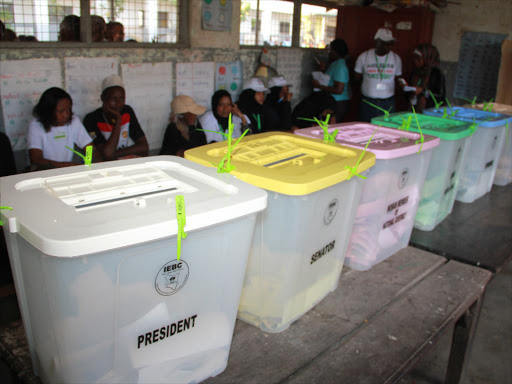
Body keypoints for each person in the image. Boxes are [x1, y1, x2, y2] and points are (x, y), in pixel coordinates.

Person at [27, 87, 101, 168]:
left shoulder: (73, 120)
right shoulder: (36, 125)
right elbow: (36, 160)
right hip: (45, 173)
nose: (66, 115)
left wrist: (88, 163)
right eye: (61, 111)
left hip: (65, 170)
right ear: (48, 111)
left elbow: (89, 147)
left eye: (69, 110)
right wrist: (68, 165)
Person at [84, 75, 149, 160]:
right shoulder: (91, 119)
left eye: (121, 99)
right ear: (102, 98)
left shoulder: (127, 111)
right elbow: (106, 153)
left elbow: (144, 147)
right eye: (113, 99)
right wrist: (118, 120)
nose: (118, 103)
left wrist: (113, 154)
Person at [354, 28, 404, 122]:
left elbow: (398, 78)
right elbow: (357, 79)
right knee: (366, 128)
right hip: (368, 102)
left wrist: (404, 85)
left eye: (390, 43)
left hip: (387, 102)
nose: (388, 46)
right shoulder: (364, 57)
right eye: (385, 43)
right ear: (377, 41)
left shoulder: (396, 58)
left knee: (386, 129)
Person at [312, 38, 351, 123]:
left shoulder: (340, 66)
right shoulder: (335, 64)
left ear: (334, 51)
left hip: (338, 102)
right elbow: (329, 80)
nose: (329, 53)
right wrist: (322, 70)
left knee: (332, 129)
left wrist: (319, 86)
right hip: (333, 101)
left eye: (330, 50)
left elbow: (339, 90)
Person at [405, 44, 446, 113]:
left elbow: (439, 96)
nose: (415, 61)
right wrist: (407, 88)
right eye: (414, 58)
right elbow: (408, 96)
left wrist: (422, 91)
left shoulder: (436, 74)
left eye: (418, 58)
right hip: (413, 109)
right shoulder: (415, 72)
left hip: (429, 112)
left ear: (427, 58)